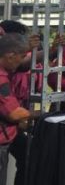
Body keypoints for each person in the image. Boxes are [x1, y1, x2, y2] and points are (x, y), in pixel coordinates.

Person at [0, 34, 36, 185]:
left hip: (9, 133)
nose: (22, 61)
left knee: (29, 152)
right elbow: (14, 114)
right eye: (21, 57)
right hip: (2, 138)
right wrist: (42, 114)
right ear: (10, 56)